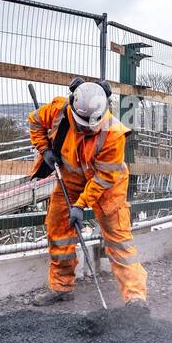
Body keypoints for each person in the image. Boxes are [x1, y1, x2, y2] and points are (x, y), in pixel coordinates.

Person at [27, 78, 148, 313]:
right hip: (71, 180)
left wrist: (81, 206)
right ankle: (61, 287)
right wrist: (45, 150)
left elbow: (103, 178)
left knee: (119, 238)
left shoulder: (113, 134)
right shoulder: (58, 111)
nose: (88, 129)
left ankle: (135, 298)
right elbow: (34, 122)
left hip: (108, 186)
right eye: (83, 125)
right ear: (73, 107)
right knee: (58, 228)